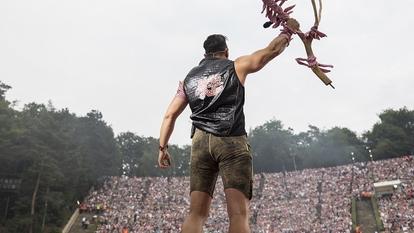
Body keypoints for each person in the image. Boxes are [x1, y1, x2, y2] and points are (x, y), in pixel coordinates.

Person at [158, 18, 300, 233]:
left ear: (205, 53)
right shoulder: (236, 66)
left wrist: (163, 148)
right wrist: (288, 32)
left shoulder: (188, 80)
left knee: (196, 214)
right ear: (226, 51)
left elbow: (169, 115)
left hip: (199, 143)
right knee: (238, 214)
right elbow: (269, 52)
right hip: (230, 140)